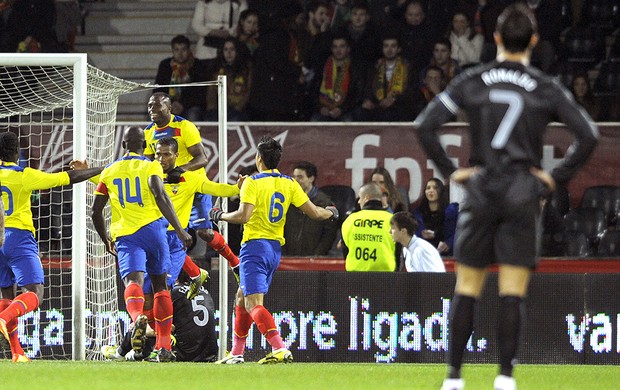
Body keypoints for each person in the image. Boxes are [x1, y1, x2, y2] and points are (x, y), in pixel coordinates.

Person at [414, 4, 599, 389]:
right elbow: (589, 135)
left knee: (467, 287)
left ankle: (453, 378)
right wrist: (554, 178)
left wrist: (453, 172)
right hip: (521, 192)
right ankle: (505, 378)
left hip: (480, 190)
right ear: (533, 41)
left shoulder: (473, 79)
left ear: (495, 39)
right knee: (512, 290)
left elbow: (426, 125)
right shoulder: (545, 86)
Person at [209, 136, 338, 364]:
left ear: (258, 158)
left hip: (255, 247)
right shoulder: (289, 183)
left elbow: (243, 216)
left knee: (253, 303)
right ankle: (237, 352)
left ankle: (279, 347)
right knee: (242, 298)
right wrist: (331, 212)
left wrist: (220, 215)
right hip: (274, 250)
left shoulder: (253, 182)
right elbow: (316, 213)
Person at [91, 127, 193, 363]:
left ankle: (137, 318)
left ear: (124, 144)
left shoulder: (110, 171)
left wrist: (105, 237)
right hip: (154, 231)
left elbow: (95, 211)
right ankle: (164, 347)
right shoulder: (151, 165)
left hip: (127, 234)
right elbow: (160, 195)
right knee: (160, 287)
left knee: (133, 282)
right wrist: (179, 229)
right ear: (144, 145)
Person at [0, 131, 103, 363]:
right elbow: (66, 178)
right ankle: (3, 319)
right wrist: (99, 170)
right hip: (18, 238)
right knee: (34, 294)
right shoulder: (24, 175)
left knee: (7, 294)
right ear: (18, 152)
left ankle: (17, 352)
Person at [144, 93, 241, 282]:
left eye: (157, 106)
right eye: (149, 106)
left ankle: (234, 262)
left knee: (204, 233)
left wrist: (180, 170)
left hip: (193, 186)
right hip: (171, 190)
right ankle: (196, 273)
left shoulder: (184, 127)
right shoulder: (148, 132)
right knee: (169, 235)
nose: (152, 110)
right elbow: (148, 161)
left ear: (169, 108)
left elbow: (202, 158)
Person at [101, 270, 218, 362]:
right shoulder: (204, 291)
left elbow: (168, 328)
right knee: (144, 327)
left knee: (141, 326)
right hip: (208, 354)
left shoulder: (173, 293)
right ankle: (130, 353)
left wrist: (141, 330)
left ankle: (121, 353)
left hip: (182, 353)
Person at [283, 161, 338, 256]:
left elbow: (329, 235)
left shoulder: (325, 203)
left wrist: (317, 255)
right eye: (294, 177)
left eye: (300, 177)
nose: (295, 180)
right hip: (288, 258)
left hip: (314, 260)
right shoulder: (287, 201)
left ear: (311, 178)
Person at [341, 182, 397, 271]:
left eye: (360, 198)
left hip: (355, 279)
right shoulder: (393, 220)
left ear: (366, 197)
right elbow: (399, 253)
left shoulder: (350, 220)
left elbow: (346, 251)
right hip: (386, 279)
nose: (358, 201)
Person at [359, 34, 415, 122]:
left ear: (399, 49)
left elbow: (412, 92)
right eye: (386, 46)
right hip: (377, 106)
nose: (389, 50)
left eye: (393, 46)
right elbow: (367, 88)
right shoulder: (375, 67)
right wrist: (367, 100)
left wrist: (394, 99)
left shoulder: (407, 67)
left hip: (398, 108)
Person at [310, 34, 366, 122]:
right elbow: (313, 91)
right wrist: (320, 108)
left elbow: (357, 95)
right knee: (314, 120)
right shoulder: (323, 66)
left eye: (342, 46)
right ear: (331, 49)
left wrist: (341, 109)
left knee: (348, 121)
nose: (338, 50)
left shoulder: (355, 67)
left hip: (345, 110)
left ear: (348, 49)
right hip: (325, 108)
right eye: (335, 47)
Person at [154, 35, 209, 122]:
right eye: (177, 50)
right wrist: (170, 104)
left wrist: (183, 104)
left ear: (188, 50)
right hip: (169, 105)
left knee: (193, 114)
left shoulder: (198, 66)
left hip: (190, 106)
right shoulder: (165, 66)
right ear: (172, 51)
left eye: (183, 49)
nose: (180, 54)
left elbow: (200, 93)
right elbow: (158, 90)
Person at [205, 37, 253, 122]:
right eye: (226, 50)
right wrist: (212, 109)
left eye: (232, 49)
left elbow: (248, 92)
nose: (229, 53)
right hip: (220, 109)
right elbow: (211, 91)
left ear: (237, 51)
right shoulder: (217, 67)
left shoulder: (246, 68)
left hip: (240, 110)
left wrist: (237, 109)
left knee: (234, 119)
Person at [413, 178, 459, 256]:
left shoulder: (451, 211)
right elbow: (414, 235)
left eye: (435, 188)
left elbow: (458, 232)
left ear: (441, 191)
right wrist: (421, 235)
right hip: (425, 254)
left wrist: (449, 243)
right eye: (428, 188)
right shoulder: (418, 213)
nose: (431, 190)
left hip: (446, 256)